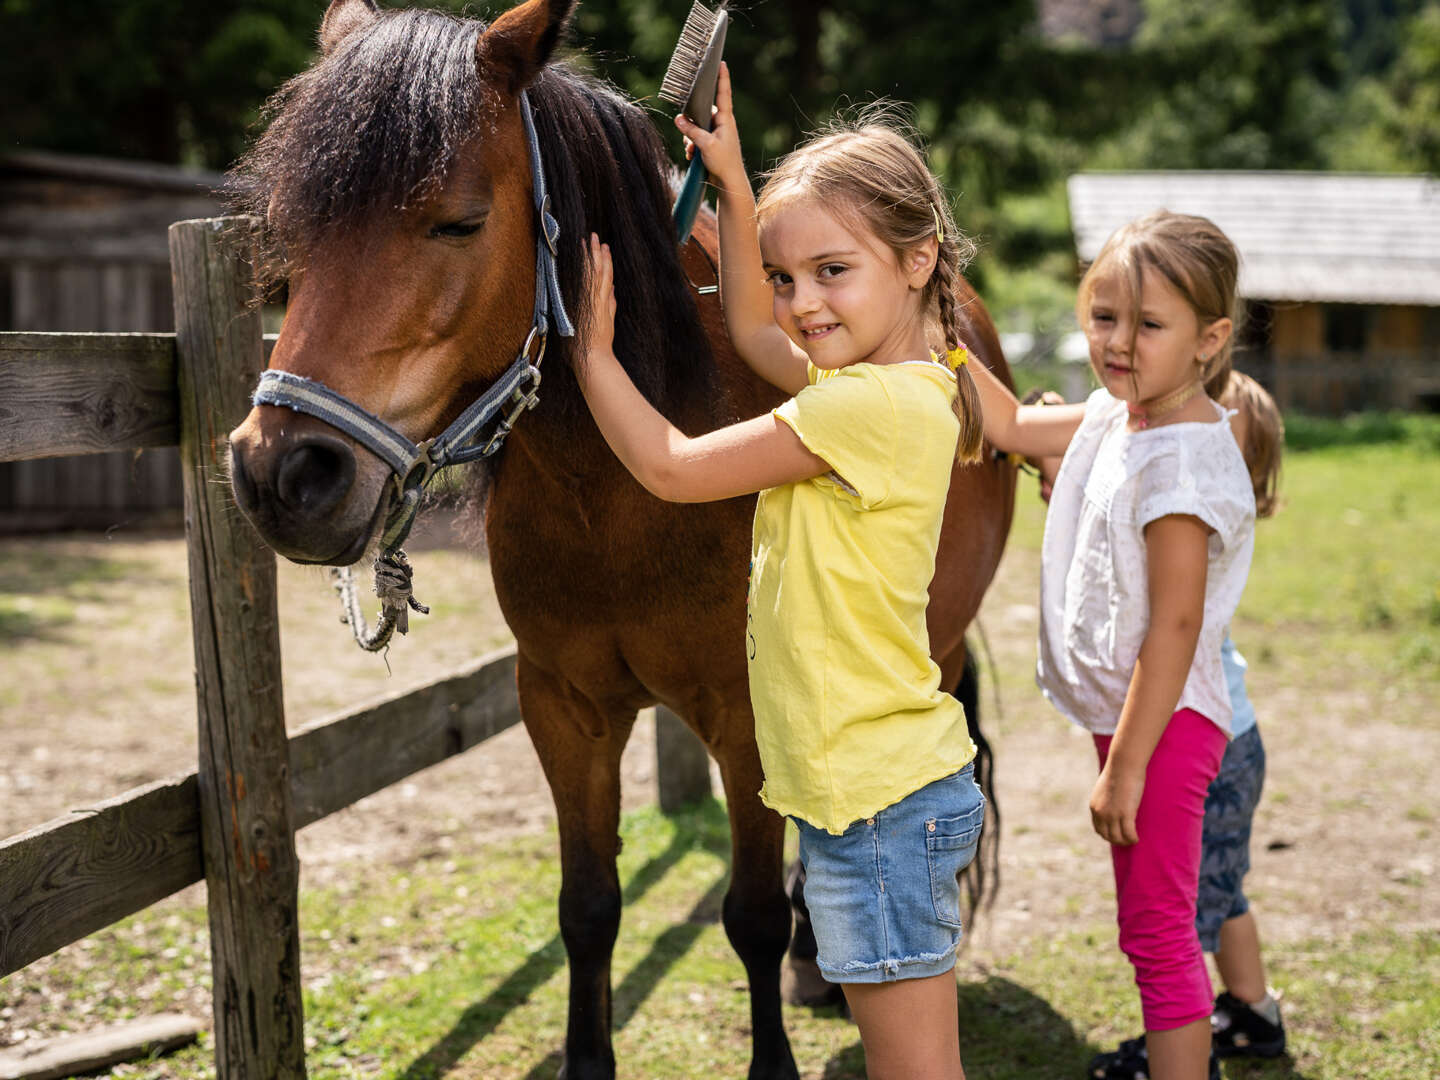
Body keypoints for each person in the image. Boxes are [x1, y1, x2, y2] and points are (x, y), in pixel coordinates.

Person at [575, 63, 987, 1079]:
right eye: (790, 274)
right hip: (894, 787)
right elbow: (754, 331)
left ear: (921, 257)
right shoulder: (903, 388)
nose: (802, 304)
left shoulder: (856, 410)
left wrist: (592, 360)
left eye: (832, 273)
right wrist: (734, 183)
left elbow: (671, 468)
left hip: (873, 805)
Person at [970, 211, 1257, 1080]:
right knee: (1148, 928)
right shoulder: (1115, 416)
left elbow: (1174, 628)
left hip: (1164, 729)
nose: (1118, 343)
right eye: (1104, 318)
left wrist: (1128, 762)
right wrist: (938, 337)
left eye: (1148, 324)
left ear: (1210, 339)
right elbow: (1015, 428)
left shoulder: (1180, 466)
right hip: (1138, 724)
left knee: (1160, 934)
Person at [1028, 374, 1288, 1076]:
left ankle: (1182, 1049)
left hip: (1202, 737)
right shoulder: (1178, 500)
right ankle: (1254, 1012)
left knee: (1177, 924)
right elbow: (1096, 511)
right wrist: (1063, 455)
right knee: (1221, 891)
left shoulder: (1186, 500)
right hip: (1236, 737)